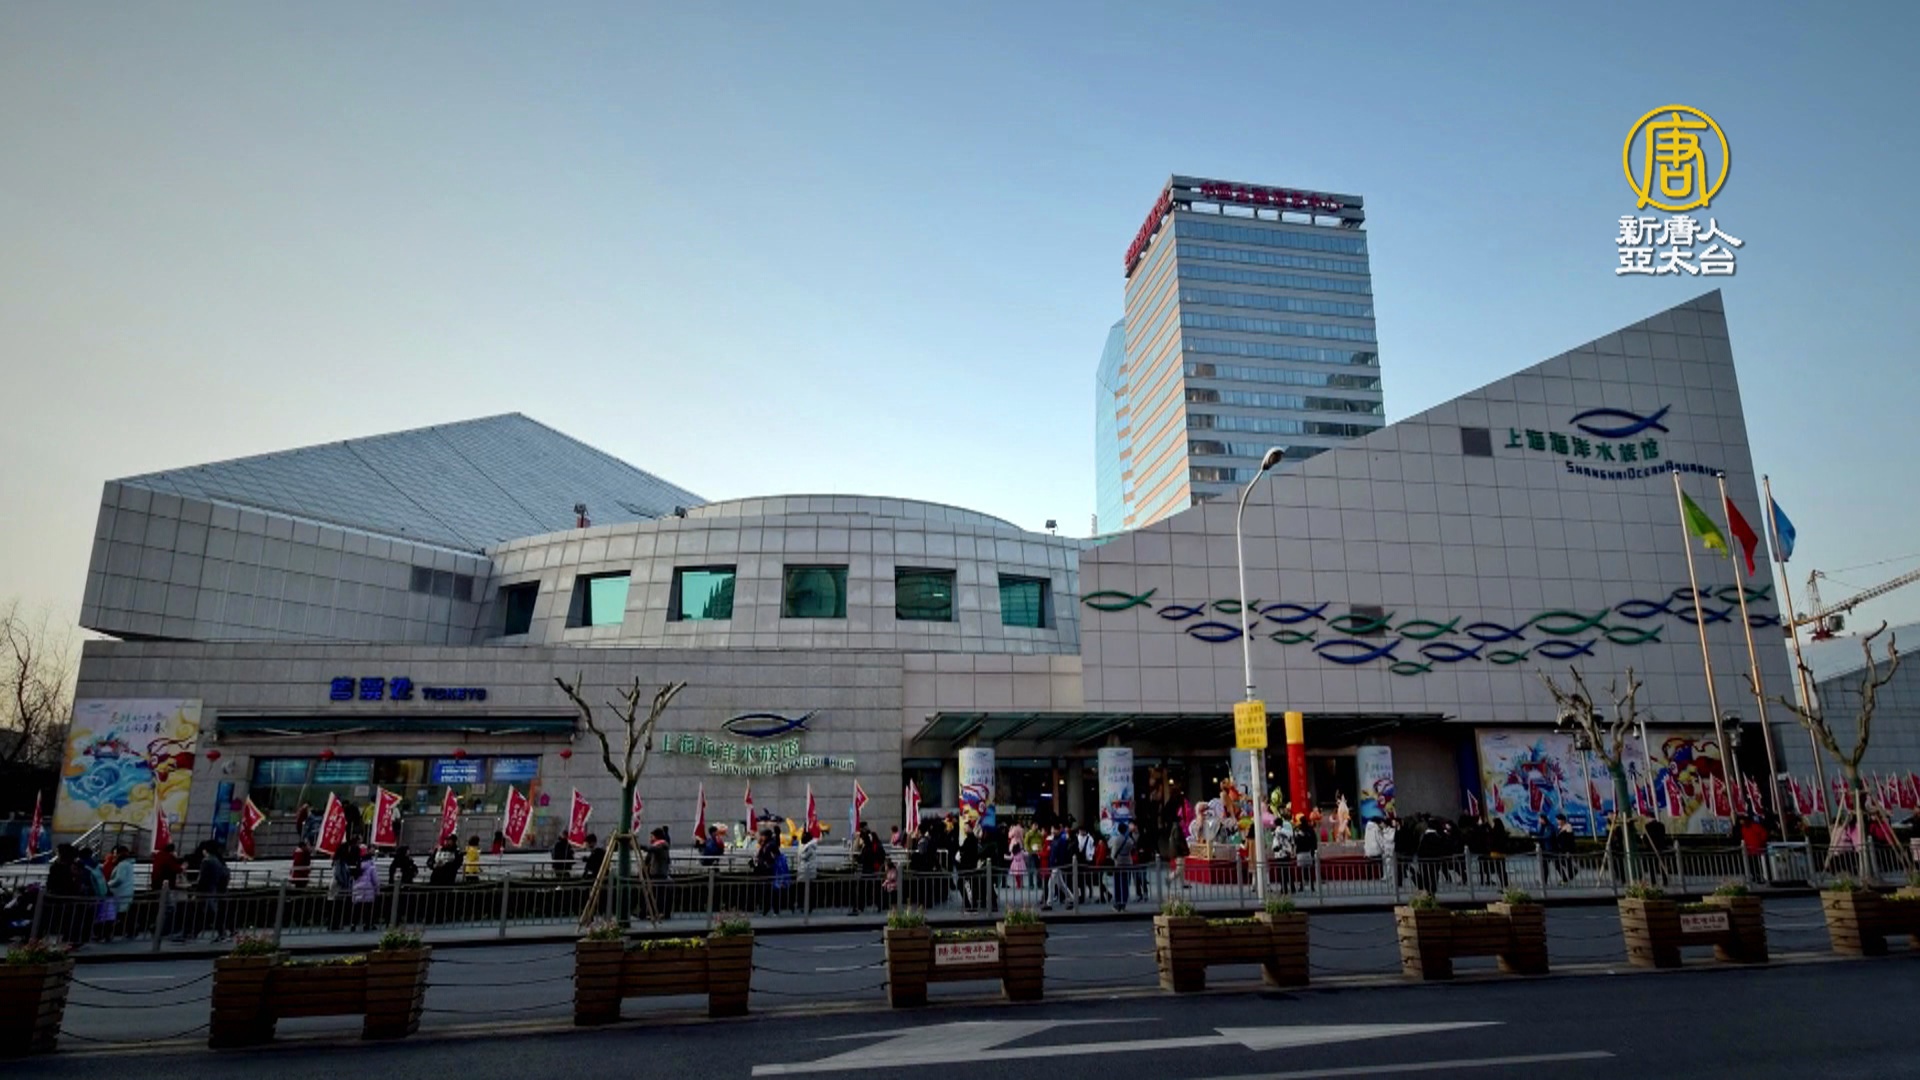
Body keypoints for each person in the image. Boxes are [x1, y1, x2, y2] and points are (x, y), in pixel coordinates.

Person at [105, 845, 135, 942]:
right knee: (123, 914)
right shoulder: (128, 864)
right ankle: (130, 931)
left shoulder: (122, 865)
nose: (113, 855)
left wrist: (108, 884)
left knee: (115, 914)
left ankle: (107, 934)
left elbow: (119, 879)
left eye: (115, 853)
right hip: (126, 892)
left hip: (119, 892)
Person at [1042, 827, 1076, 911]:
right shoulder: (1054, 840)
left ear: (1059, 830)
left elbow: (1062, 854)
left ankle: (1049, 903)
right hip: (1054, 865)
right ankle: (1072, 898)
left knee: (1051, 883)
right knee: (1061, 885)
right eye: (1052, 829)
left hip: (1057, 865)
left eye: (1055, 829)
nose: (1053, 831)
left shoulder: (1061, 841)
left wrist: (1058, 862)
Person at [352, 849, 381, 930]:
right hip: (368, 889)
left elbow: (354, 880)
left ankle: (353, 923)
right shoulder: (371, 867)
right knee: (367, 909)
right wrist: (377, 890)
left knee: (357, 908)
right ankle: (367, 924)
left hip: (358, 889)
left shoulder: (358, 866)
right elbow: (375, 880)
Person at [1112, 821, 1136, 910]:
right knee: (1125, 883)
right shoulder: (1129, 840)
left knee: (1118, 883)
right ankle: (1124, 902)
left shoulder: (1116, 839)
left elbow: (1113, 852)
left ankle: (1117, 902)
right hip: (1127, 862)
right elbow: (1132, 847)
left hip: (1118, 863)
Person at [1739, 814, 1770, 883]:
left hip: (1757, 848)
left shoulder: (1754, 826)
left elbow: (1764, 834)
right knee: (1753, 864)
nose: (1741, 822)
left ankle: (1760, 877)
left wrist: (1761, 843)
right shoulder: (1744, 828)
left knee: (1758, 864)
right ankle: (1755, 876)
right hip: (1750, 849)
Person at [795, 827, 819, 915]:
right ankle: (804, 906)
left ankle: (807, 906)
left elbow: (803, 856)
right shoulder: (807, 847)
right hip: (805, 871)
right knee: (805, 890)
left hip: (807, 871)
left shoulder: (809, 848)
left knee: (807, 891)